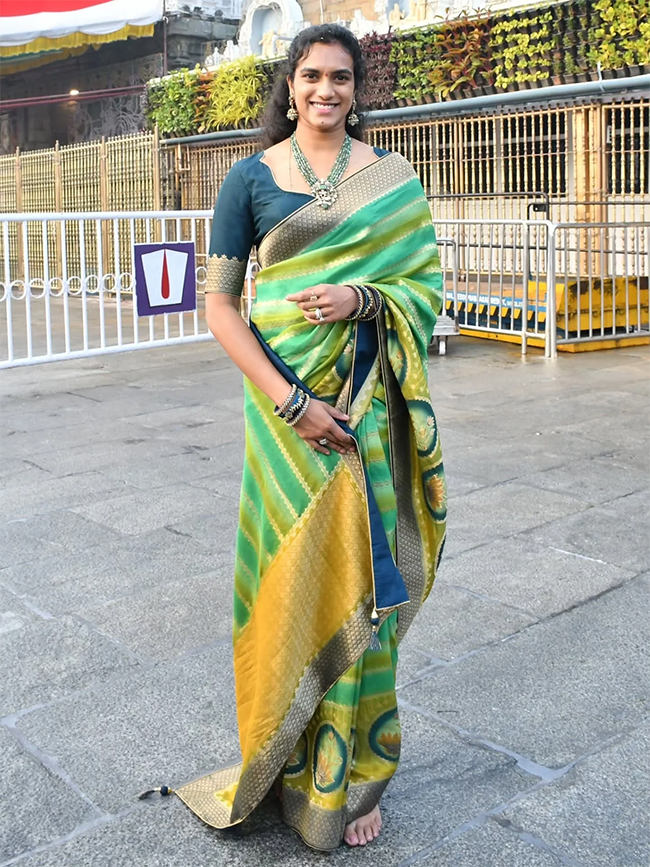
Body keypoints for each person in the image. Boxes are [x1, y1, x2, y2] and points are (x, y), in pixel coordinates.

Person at [174, 23, 447, 852]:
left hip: (363, 411)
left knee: (360, 578)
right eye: (311, 76)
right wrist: (293, 403)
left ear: (357, 88)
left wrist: (363, 299)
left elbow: (424, 289)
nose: (325, 90)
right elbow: (220, 308)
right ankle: (280, 752)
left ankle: (351, 774)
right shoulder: (250, 180)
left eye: (340, 77)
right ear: (288, 86)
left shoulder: (392, 180)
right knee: (285, 578)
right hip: (281, 420)